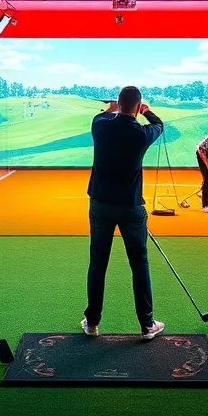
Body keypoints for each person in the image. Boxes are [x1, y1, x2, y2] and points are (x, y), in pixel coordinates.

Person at [83, 86, 165, 340]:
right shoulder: (142, 133)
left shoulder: (100, 125)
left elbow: (104, 115)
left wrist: (112, 108)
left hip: (101, 205)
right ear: (138, 106)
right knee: (139, 265)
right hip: (131, 207)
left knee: (98, 263)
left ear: (118, 103)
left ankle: (93, 322)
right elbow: (159, 124)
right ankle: (147, 325)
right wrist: (147, 111)